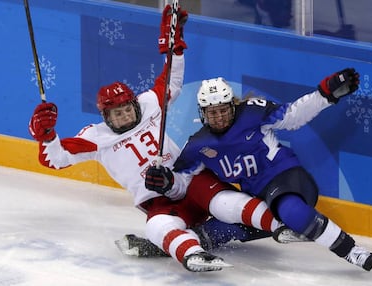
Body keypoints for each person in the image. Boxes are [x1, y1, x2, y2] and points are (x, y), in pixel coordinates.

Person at [27, 4, 298, 272]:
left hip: (191, 180)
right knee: (157, 227)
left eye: (126, 109)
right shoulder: (97, 137)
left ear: (134, 103)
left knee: (226, 203)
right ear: (105, 117)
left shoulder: (149, 104)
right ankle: (194, 254)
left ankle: (283, 225)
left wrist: (174, 45)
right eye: (116, 114)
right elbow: (56, 159)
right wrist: (46, 134)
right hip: (158, 202)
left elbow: (172, 80)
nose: (123, 117)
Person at [144, 71, 372, 271]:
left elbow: (293, 116)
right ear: (202, 113)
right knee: (225, 229)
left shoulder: (252, 112)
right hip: (258, 196)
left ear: (232, 105)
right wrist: (165, 181)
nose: (219, 117)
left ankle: (352, 250)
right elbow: (182, 181)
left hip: (284, 177)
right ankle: (184, 243)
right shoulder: (198, 145)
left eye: (224, 110)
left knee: (292, 211)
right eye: (212, 112)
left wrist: (324, 95)